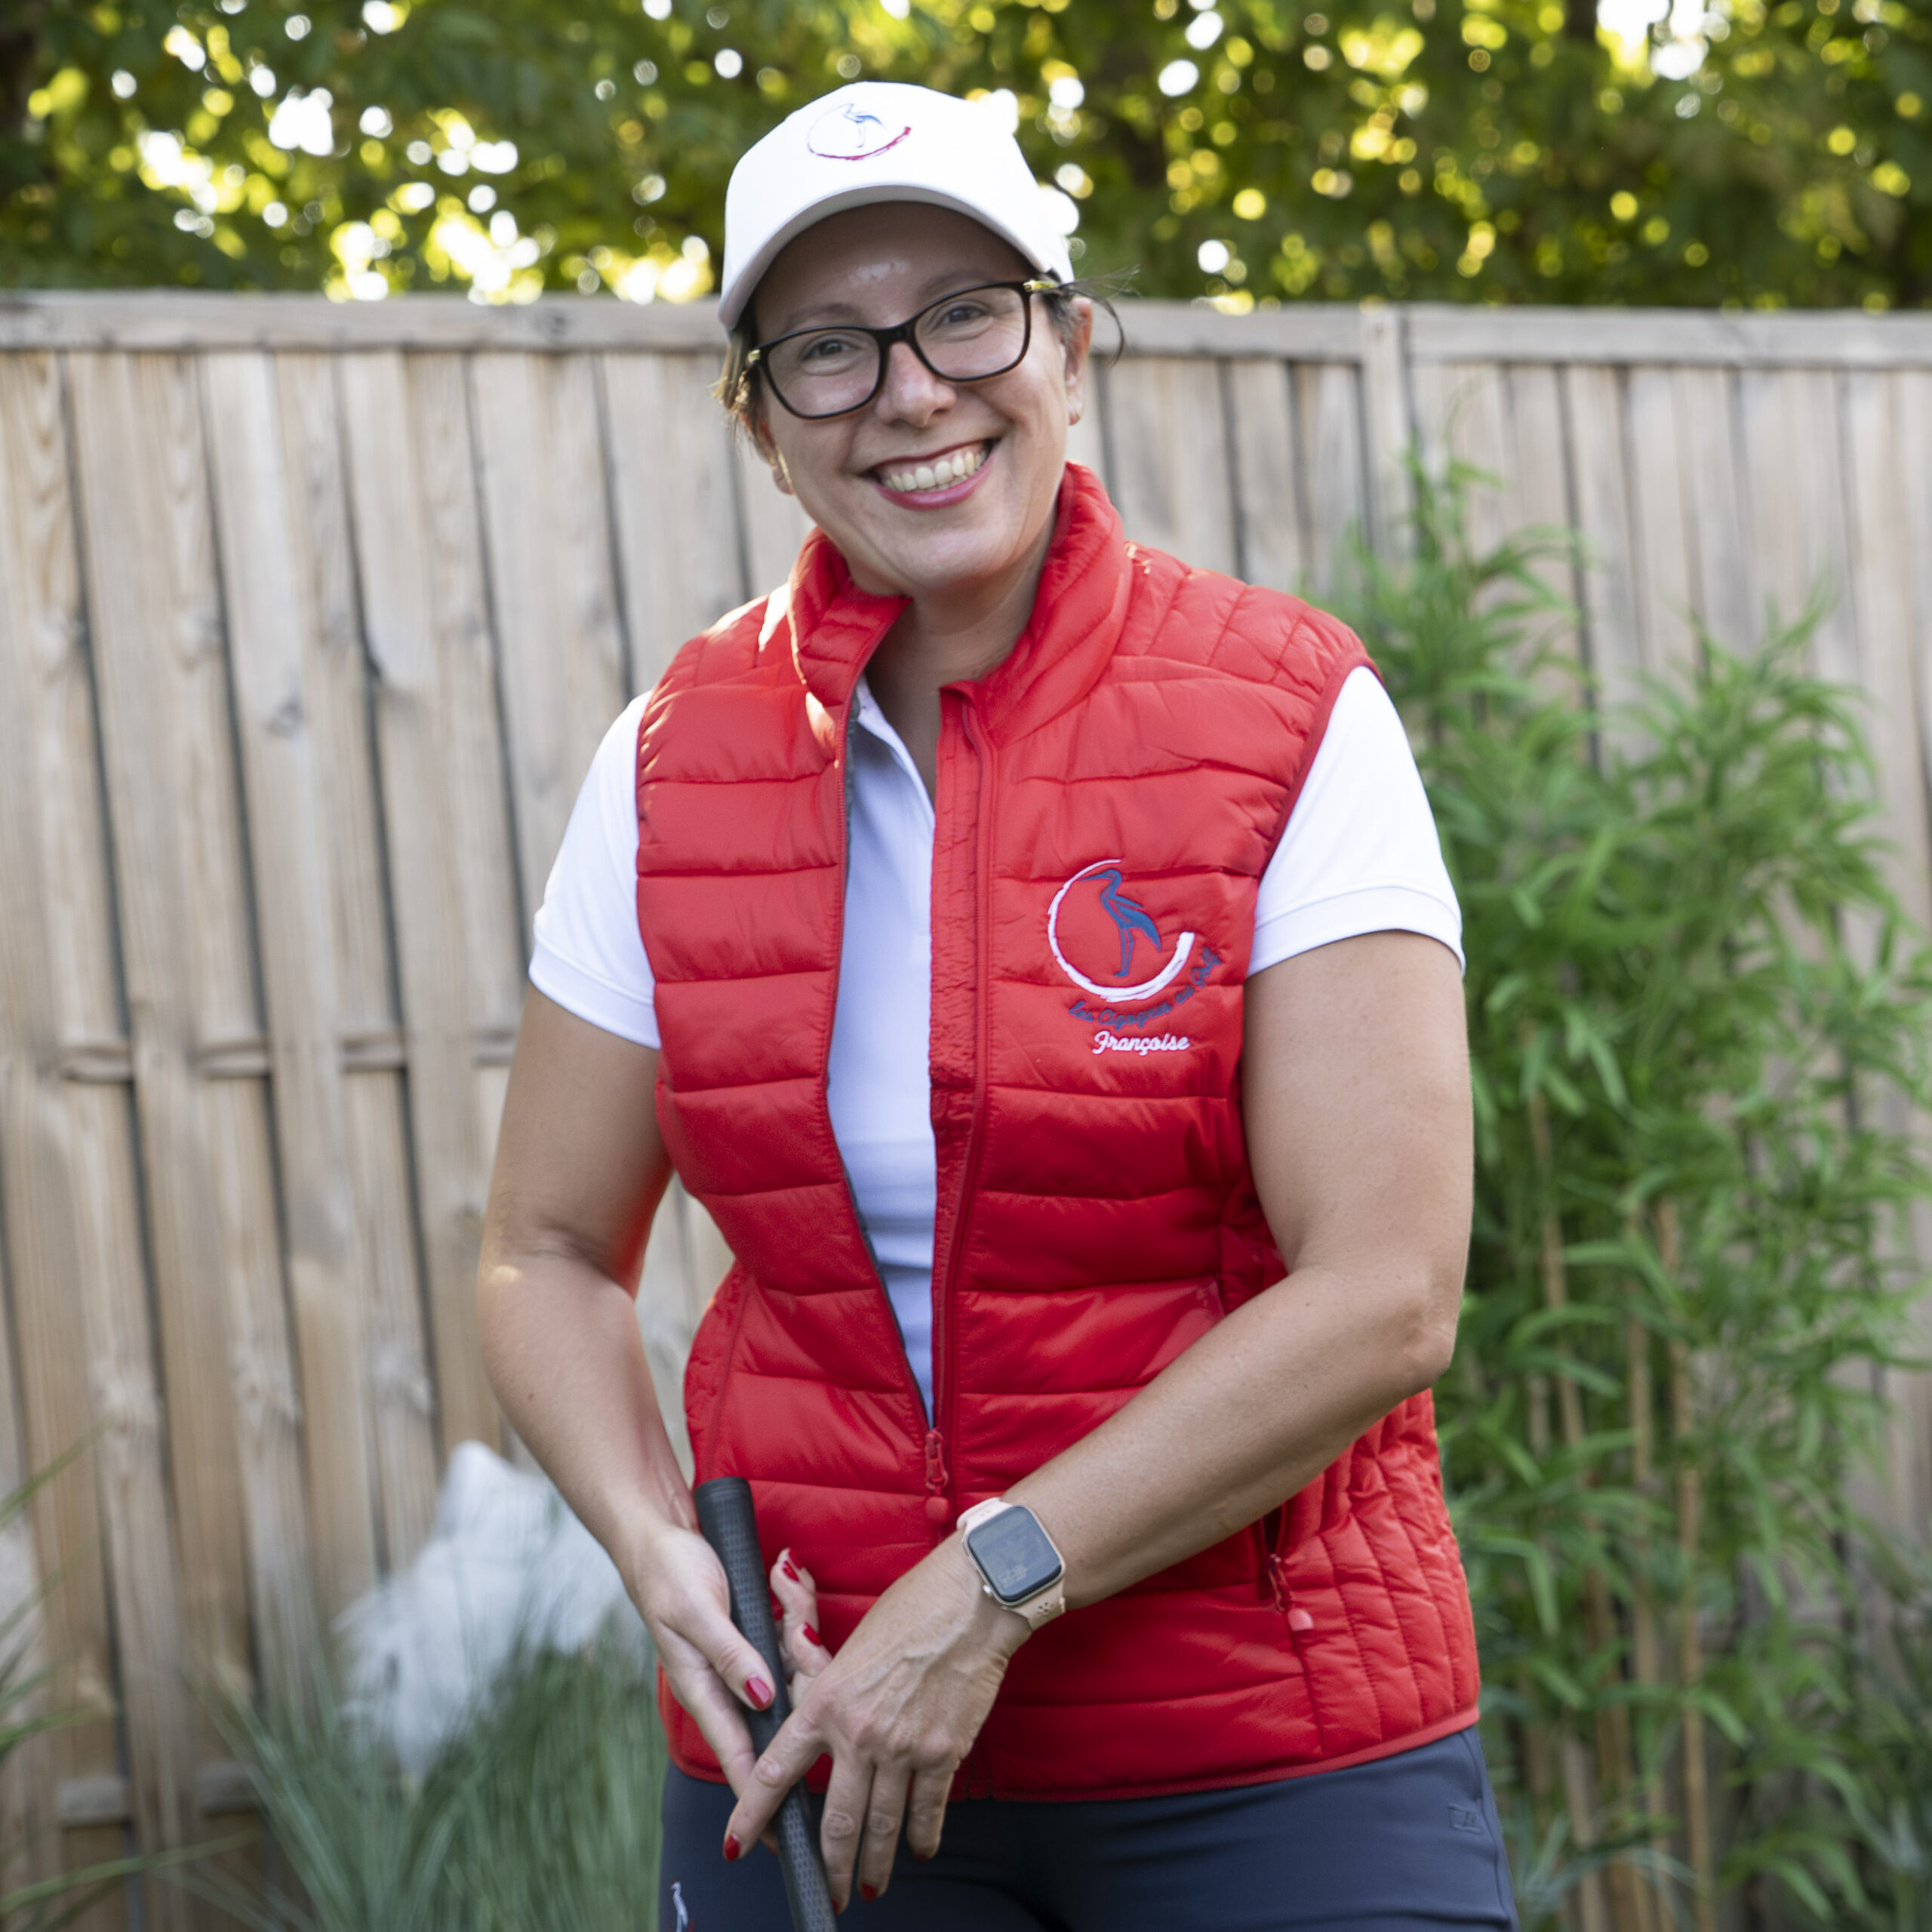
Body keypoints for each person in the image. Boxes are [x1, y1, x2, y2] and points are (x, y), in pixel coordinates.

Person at [478, 79, 1518, 1932]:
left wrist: (986, 1583)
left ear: (1067, 343)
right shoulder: (665, 765)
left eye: (964, 313)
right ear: (762, 424)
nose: (908, 386)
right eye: (825, 347)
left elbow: (1383, 1285)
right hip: (819, 1769)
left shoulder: (1287, 715)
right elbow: (545, 1247)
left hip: (1268, 1762)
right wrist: (651, 1543)